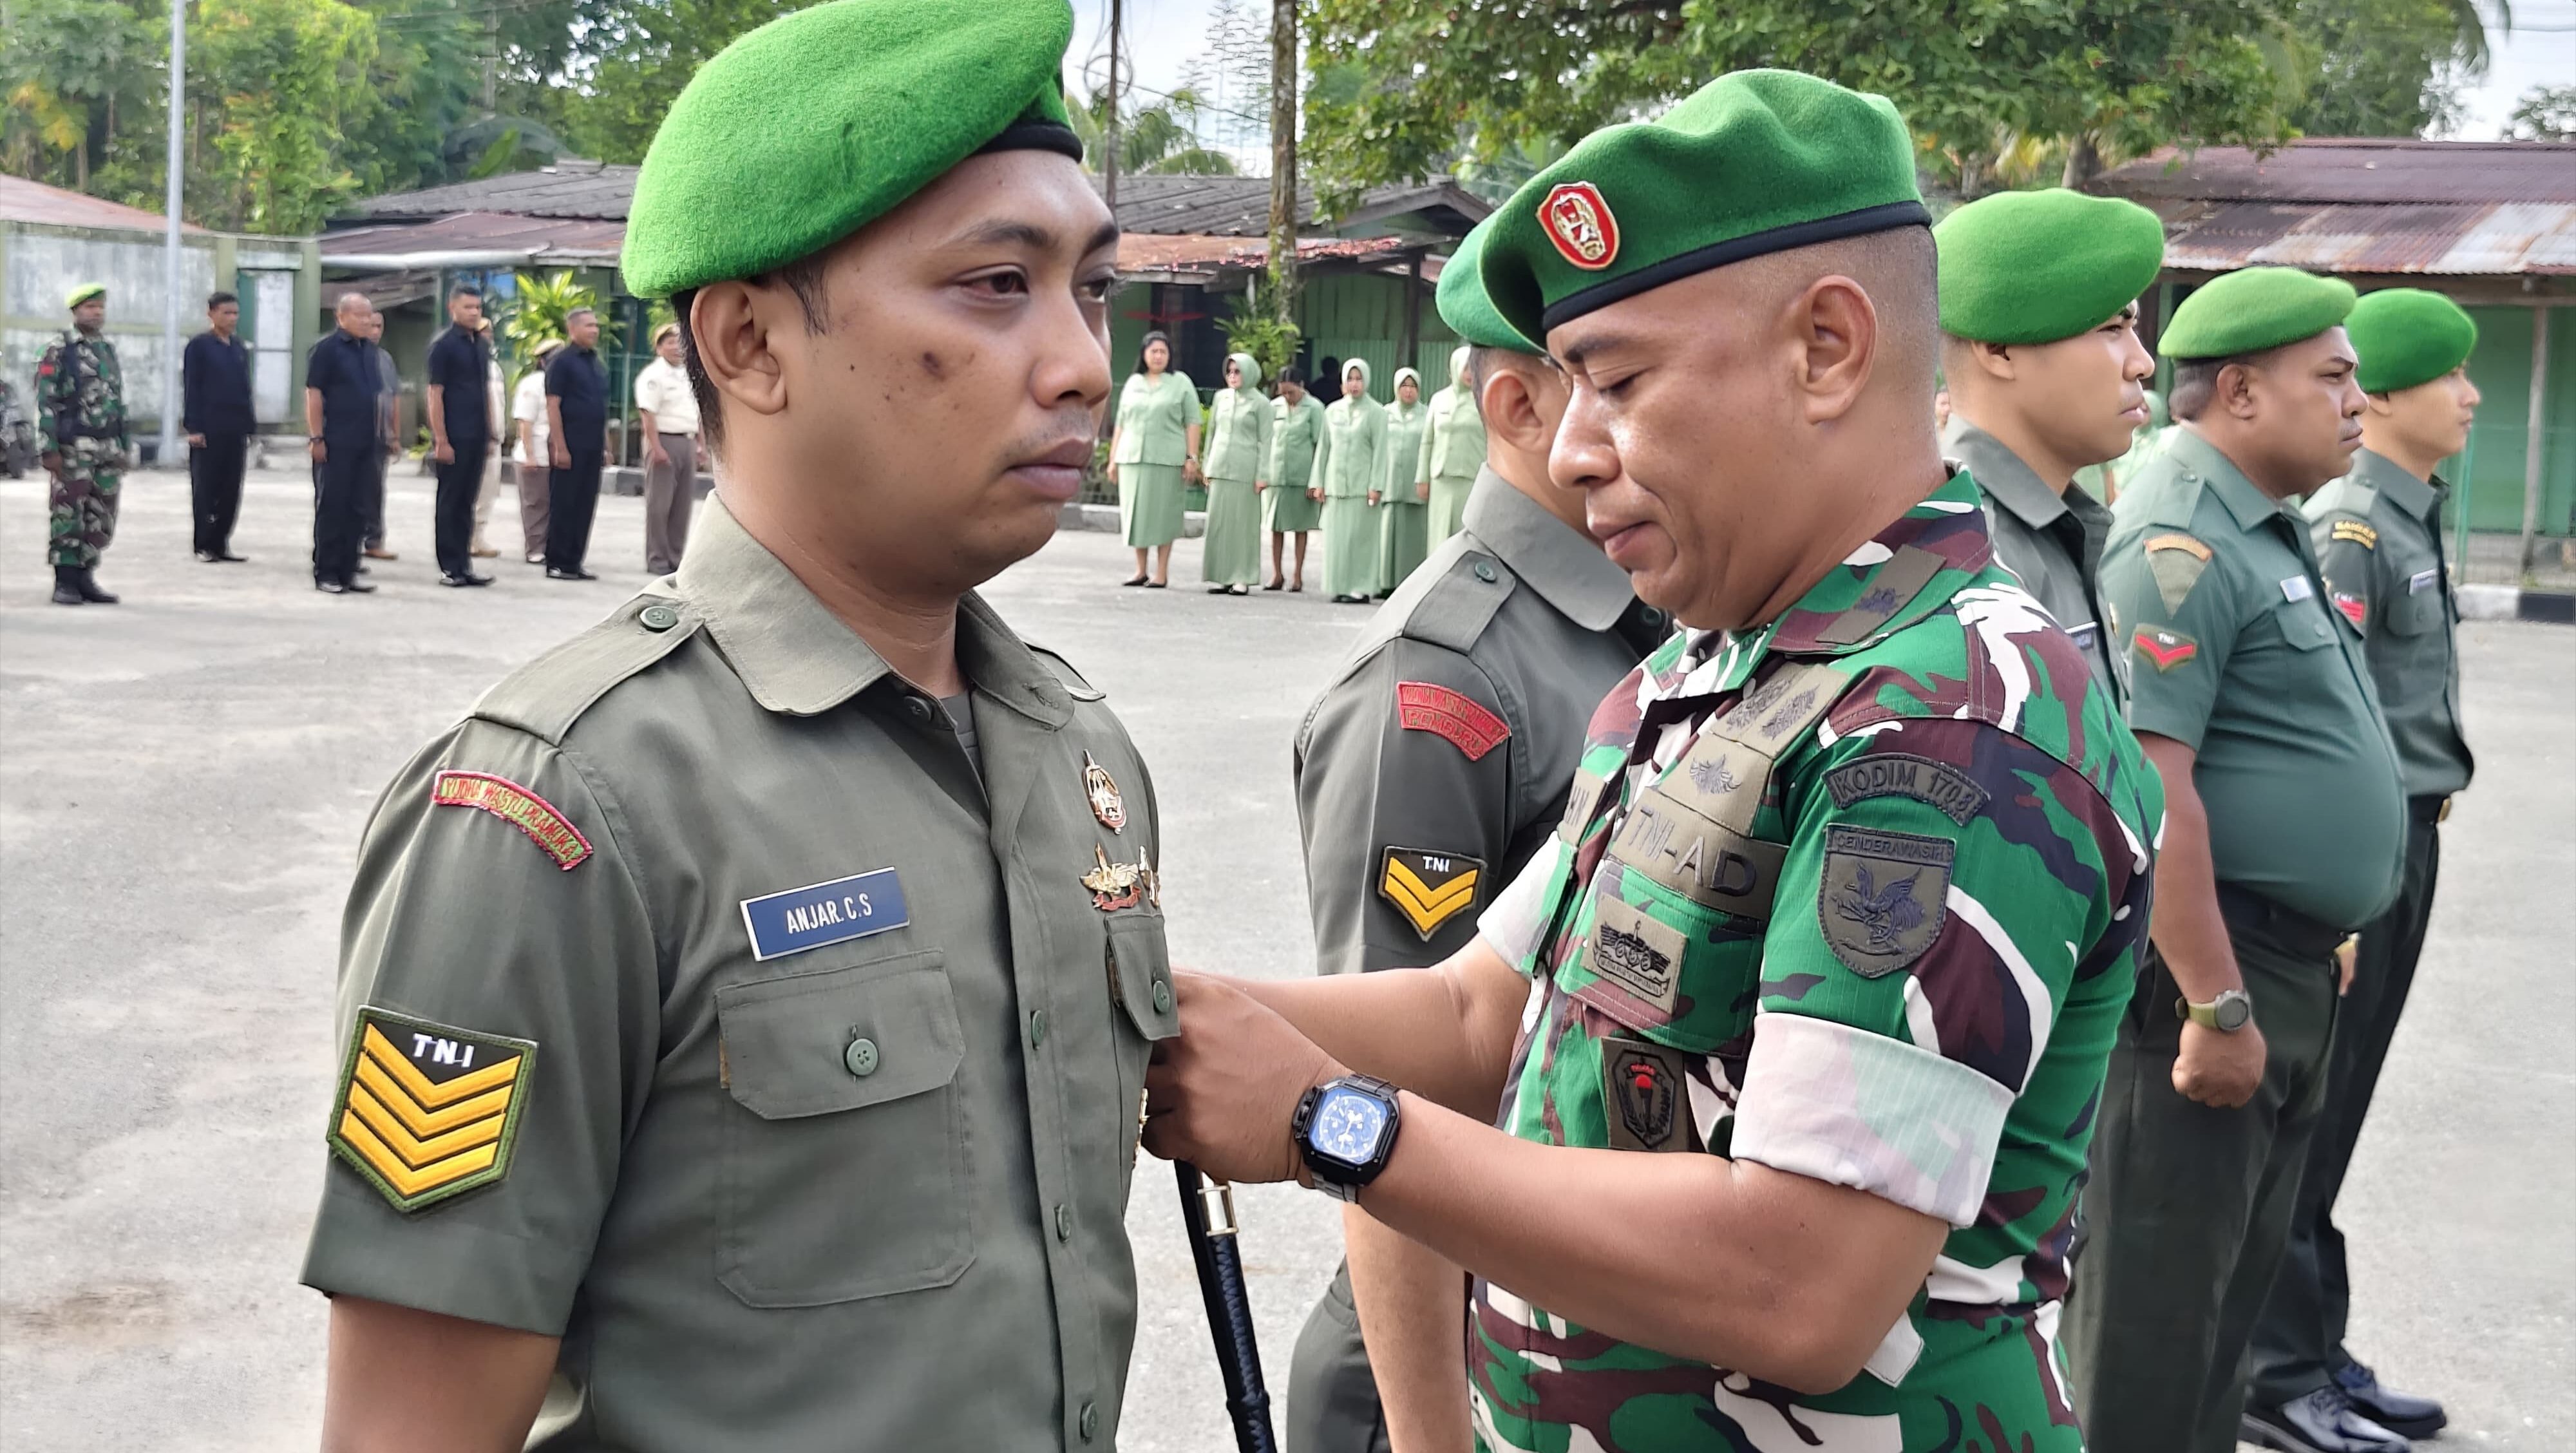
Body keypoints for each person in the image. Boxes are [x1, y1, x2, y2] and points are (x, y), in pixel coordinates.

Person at [1142, 69, 2159, 1452]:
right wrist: (1146, 1011)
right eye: (1565, 388)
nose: (1568, 451)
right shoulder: (1705, 668)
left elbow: (1798, 1278)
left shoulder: (1952, 721)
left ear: (1824, 349)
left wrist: (1329, 1123)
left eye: (1616, 381)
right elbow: (1469, 1020)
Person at [303, 3, 1175, 1448]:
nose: (1081, 359)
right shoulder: (562, 810)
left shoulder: (1076, 753)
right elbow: (411, 1426)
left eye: (1089, 289)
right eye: (993, 287)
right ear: (750, 342)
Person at [1283, 216, 1661, 1453]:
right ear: (1514, 400)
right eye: (1611, 379)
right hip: (1436, 1356)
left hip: (1570, 1305)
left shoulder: (1655, 628)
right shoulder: (1443, 682)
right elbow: (1389, 1094)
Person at [2069, 267, 2407, 1453]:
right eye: (2335, 375)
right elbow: (2158, 787)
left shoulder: (2263, 522)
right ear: (2246, 393)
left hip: (2286, 964)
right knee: (2150, 1345)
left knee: (2218, 1332)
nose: (2363, 398)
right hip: (2209, 985)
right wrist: (2216, 995)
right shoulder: (2183, 532)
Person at [2242, 288, 2481, 1453]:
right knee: (2311, 1116)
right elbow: (2331, 720)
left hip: (2406, 837)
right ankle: (2278, 1372)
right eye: (2453, 376)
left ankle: (2312, 1343)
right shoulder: (2350, 526)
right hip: (2361, 860)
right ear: (2385, 395)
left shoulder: (2407, 512)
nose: (2474, 396)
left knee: (2336, 1118)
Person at [1933, 187, 2166, 704]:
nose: (2142, 362)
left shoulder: (2059, 528)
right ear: (2000, 350)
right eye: (2111, 328)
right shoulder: (1976, 553)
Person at [35, 282, 128, 605]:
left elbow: (118, 402)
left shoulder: (106, 349)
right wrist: (48, 448)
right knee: (68, 513)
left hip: (107, 446)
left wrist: (124, 446)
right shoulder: (59, 348)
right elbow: (46, 401)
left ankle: (87, 576)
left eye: (100, 307)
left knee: (101, 515)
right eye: (90, 307)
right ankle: (65, 581)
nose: (97, 312)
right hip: (73, 447)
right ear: (75, 311)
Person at [1106, 329, 1198, 587]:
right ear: (1144, 355)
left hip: (1167, 459)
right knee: (1137, 515)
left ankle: (1161, 572)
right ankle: (1140, 570)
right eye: (1153, 351)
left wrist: (1192, 457)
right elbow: (1121, 423)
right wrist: (1113, 459)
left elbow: (1193, 421)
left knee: (1164, 515)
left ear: (1170, 355)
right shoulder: (1134, 383)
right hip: (1132, 458)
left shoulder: (1180, 382)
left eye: (1163, 351)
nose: (1158, 356)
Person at [304, 294, 382, 595]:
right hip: (335, 441)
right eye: (360, 316)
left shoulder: (368, 351)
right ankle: (327, 572)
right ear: (341, 317)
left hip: (365, 441)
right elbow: (314, 394)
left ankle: (349, 570)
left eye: (369, 316)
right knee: (333, 507)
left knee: (358, 508)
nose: (366, 321)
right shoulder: (327, 350)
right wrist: (316, 436)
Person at [426, 283, 498, 587]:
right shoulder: (443, 346)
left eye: (477, 308)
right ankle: (449, 567)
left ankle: (464, 564)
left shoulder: (479, 345)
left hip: (477, 435)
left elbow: (484, 391)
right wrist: (440, 439)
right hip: (453, 436)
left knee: (468, 501)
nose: (473, 313)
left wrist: (492, 431)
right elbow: (435, 394)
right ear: (452, 308)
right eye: (467, 307)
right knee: (450, 501)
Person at [183, 289, 256, 564]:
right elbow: (192, 388)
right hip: (208, 429)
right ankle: (204, 544)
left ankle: (222, 542)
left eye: (236, 313)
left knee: (231, 488)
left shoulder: (238, 347)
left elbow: (245, 389)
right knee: (206, 488)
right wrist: (194, 427)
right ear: (211, 313)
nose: (232, 318)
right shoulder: (199, 346)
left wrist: (250, 426)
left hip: (235, 428)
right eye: (226, 313)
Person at [544, 306, 609, 580]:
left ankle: (574, 560)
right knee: (565, 502)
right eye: (588, 326)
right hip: (570, 443)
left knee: (585, 503)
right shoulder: (561, 361)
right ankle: (557, 561)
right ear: (572, 330)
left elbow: (599, 407)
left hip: (592, 443)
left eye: (595, 325)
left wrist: (605, 445)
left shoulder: (595, 362)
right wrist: (560, 446)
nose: (594, 330)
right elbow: (553, 405)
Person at [634, 321, 703, 574]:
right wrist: (656, 447)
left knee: (682, 505)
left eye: (680, 341)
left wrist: (700, 445)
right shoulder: (653, 376)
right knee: (659, 505)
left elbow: (697, 413)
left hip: (686, 440)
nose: (677, 347)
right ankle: (657, 560)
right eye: (670, 342)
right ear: (659, 347)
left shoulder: (688, 374)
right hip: (664, 439)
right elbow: (647, 414)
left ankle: (675, 559)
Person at [1201, 350, 1271, 594]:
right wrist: (1206, 466)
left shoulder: (1261, 403)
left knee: (1244, 526)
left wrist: (1263, 474)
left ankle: (1242, 576)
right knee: (1219, 524)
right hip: (1220, 467)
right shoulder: (1221, 398)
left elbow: (1266, 441)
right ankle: (1222, 575)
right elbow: (1211, 433)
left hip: (1246, 471)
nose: (1232, 376)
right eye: (1229, 371)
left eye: (1237, 371)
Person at [1315, 359, 1385, 603]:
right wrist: (1318, 482)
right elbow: (1323, 448)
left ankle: (1360, 586)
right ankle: (1339, 584)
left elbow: (1381, 451)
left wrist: (1376, 486)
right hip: (1336, 485)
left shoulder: (1376, 412)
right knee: (1337, 539)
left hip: (1361, 487)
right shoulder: (1332, 411)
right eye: (1350, 379)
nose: (1354, 384)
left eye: (1359, 379)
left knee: (1360, 539)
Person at [1264, 366, 1327, 591]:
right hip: (1276, 476)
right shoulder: (1273, 408)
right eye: (1283, 393)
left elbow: (1321, 445)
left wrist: (1317, 480)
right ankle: (1276, 574)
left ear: (1301, 387)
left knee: (1301, 528)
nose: (1287, 397)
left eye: (1291, 392)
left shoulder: (1315, 408)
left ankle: (1297, 576)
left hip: (1302, 477)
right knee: (1276, 527)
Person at [1419, 344, 1482, 549]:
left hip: (1471, 477)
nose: (1470, 374)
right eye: (1466, 368)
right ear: (1454, 368)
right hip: (1441, 479)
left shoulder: (1484, 398)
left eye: (1473, 367)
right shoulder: (1439, 399)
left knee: (1465, 532)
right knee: (1438, 531)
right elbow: (1427, 440)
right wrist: (1422, 477)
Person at [1374, 366, 1430, 594]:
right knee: (1387, 534)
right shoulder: (1384, 414)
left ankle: (1409, 584)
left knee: (1413, 537)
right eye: (1404, 386)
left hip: (1415, 483)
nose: (1408, 391)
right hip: (1389, 482)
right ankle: (1384, 582)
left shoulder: (1427, 414)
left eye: (1413, 386)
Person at [512, 337, 562, 564]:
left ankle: (548, 547)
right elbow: (525, 422)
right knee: (535, 504)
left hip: (554, 453)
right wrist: (530, 454)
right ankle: (534, 549)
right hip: (535, 452)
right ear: (542, 361)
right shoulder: (532, 384)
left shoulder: (561, 381)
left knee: (552, 504)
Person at [362, 308, 402, 563]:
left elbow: (393, 398)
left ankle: (374, 540)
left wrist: (394, 435)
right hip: (353, 435)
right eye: (371, 325)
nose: (375, 331)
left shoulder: (385, 359)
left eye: (379, 326)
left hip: (379, 436)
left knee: (376, 490)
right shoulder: (348, 355)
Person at [471, 331, 507, 560]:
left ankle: (478, 536)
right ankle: (471, 537)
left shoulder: (493, 367)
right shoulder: (475, 365)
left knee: (489, 491)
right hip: (482, 438)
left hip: (497, 437)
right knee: (477, 491)